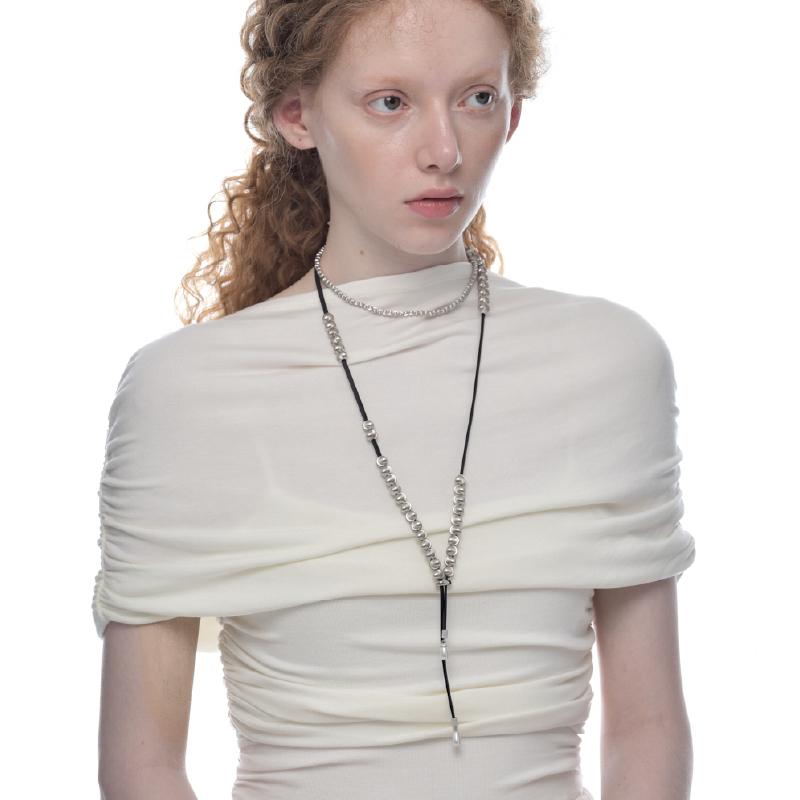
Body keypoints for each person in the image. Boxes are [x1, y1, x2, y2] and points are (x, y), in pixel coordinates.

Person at [93, 0, 696, 798]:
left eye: (477, 98)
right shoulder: (187, 391)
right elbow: (142, 764)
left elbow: (648, 726)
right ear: (297, 115)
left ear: (514, 112)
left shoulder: (608, 361)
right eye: (390, 102)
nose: (444, 151)